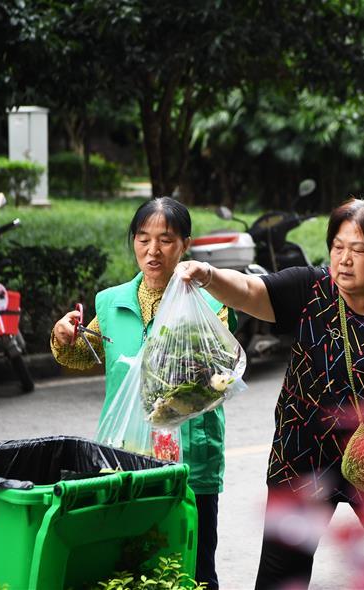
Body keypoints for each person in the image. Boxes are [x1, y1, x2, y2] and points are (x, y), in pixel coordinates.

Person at [175, 196, 364, 589]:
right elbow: (250, 290)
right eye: (337, 247)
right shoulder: (309, 289)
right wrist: (208, 274)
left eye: (358, 249)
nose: (344, 259)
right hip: (302, 459)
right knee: (281, 575)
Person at [50, 197, 232, 589]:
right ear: (132, 240)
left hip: (189, 458)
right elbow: (86, 354)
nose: (153, 251)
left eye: (165, 240)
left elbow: (217, 376)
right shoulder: (112, 302)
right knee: (127, 566)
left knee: (194, 570)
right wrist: (64, 334)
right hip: (124, 456)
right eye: (143, 239)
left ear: (185, 244)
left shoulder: (210, 302)